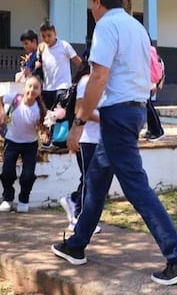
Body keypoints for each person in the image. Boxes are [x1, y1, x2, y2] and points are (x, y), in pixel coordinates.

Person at [51, 0, 177, 287]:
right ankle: (76, 245)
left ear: (96, 2)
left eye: (91, 4)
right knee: (95, 180)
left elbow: (99, 77)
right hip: (134, 110)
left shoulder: (105, 26)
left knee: (135, 187)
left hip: (117, 113)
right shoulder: (136, 27)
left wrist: (77, 125)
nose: (91, 9)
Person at [59, 51, 103, 233]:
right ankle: (77, 216)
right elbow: (80, 109)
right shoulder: (86, 82)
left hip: (99, 139)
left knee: (93, 180)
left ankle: (74, 201)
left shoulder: (102, 82)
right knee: (89, 180)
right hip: (86, 139)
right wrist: (105, 119)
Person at [0, 75, 47, 213]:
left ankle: (24, 200)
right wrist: (2, 112)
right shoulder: (15, 98)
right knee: (7, 172)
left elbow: (43, 128)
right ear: (24, 88)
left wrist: (42, 128)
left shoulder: (40, 109)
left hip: (30, 144)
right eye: (30, 86)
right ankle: (7, 198)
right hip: (11, 141)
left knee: (28, 175)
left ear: (40, 91)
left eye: (36, 88)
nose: (32, 90)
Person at [38, 20, 82, 110]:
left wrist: (80, 79)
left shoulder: (64, 46)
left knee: (60, 117)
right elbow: (39, 66)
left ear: (55, 33)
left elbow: (78, 62)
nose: (46, 39)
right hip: (47, 89)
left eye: (49, 35)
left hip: (63, 87)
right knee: (48, 119)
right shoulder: (42, 48)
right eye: (43, 36)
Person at [143, 43, 165, 141]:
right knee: (147, 105)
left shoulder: (145, 50)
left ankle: (157, 130)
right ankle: (153, 129)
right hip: (149, 81)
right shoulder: (151, 50)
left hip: (145, 80)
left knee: (147, 106)